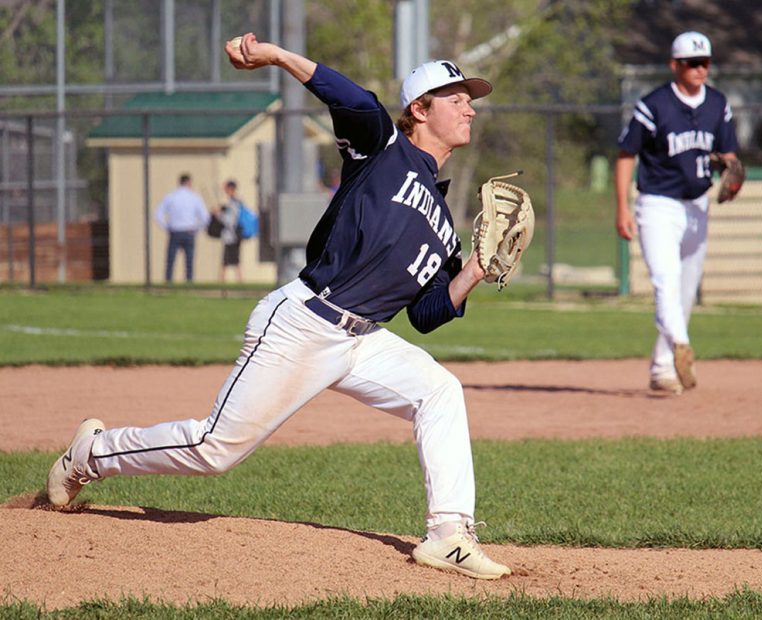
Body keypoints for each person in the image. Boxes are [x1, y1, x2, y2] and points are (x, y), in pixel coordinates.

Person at [47, 33, 510, 580]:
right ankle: (91, 455)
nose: (469, 107)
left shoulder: (441, 221)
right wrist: (277, 56)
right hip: (305, 322)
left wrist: (474, 272)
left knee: (440, 390)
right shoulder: (383, 148)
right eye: (454, 97)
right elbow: (354, 99)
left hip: (362, 341)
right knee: (214, 451)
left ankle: (448, 535)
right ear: (418, 109)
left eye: (469, 98)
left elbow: (427, 315)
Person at [614, 31, 739, 395]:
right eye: (692, 63)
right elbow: (626, 154)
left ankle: (663, 365)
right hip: (657, 204)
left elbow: (729, 158)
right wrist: (621, 206)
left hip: (697, 206)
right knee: (665, 279)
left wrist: (733, 178)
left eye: (705, 63)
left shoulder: (718, 105)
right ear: (675, 65)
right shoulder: (654, 106)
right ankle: (681, 345)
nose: (700, 69)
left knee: (685, 290)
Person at [155, 174, 211, 283]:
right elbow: (205, 217)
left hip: (175, 231)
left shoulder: (171, 196)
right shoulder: (194, 197)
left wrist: (166, 226)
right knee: (189, 260)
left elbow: (158, 214)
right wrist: (197, 228)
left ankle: (168, 281)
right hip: (189, 231)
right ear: (189, 182)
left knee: (171, 259)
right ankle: (189, 282)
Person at [218, 180, 245, 283]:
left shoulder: (234, 202)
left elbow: (230, 221)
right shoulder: (237, 202)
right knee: (231, 261)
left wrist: (219, 214)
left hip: (231, 237)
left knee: (230, 261)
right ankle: (225, 282)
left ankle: (225, 283)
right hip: (234, 236)